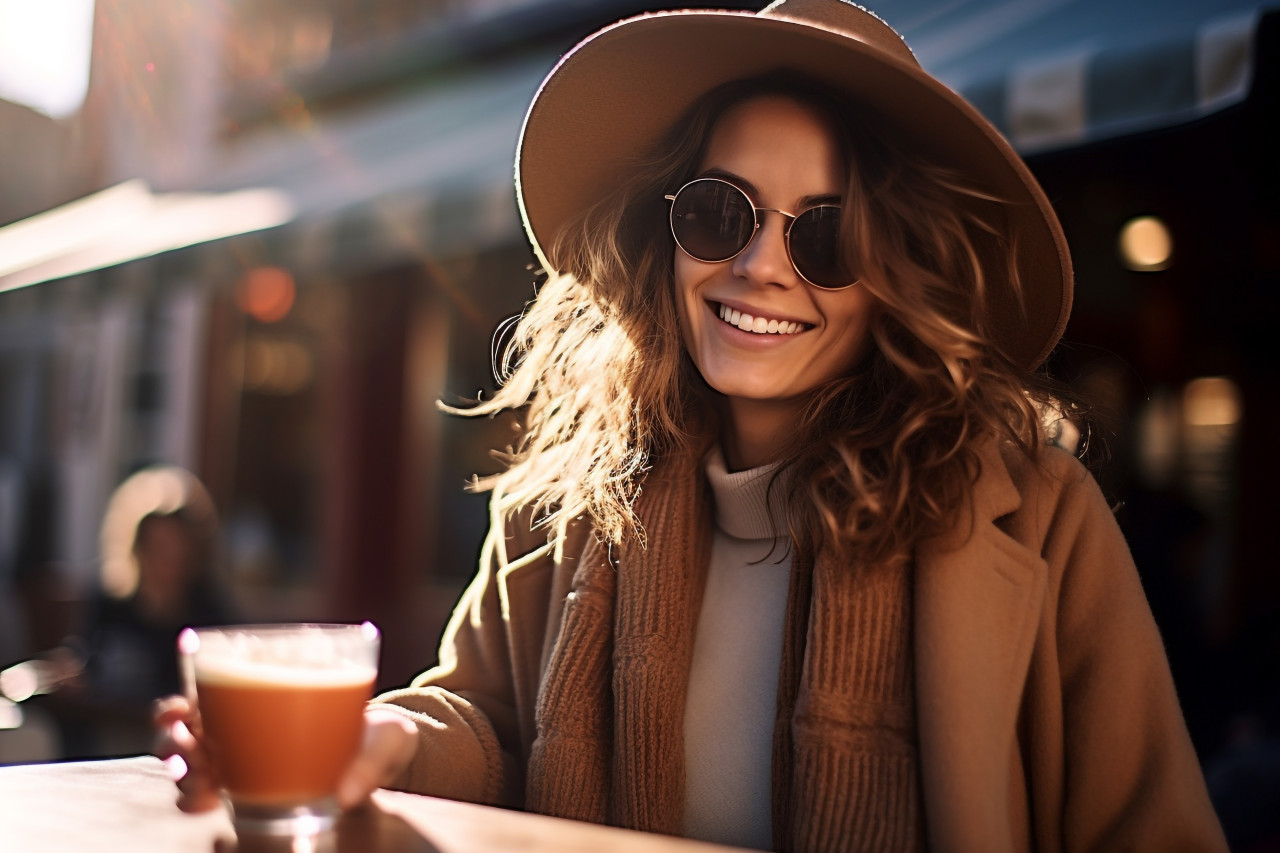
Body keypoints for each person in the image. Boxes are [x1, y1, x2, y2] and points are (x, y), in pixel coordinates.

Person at [157, 1, 1228, 849]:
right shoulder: (564, 496)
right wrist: (378, 737)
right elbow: (481, 722)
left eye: (827, 236)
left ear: (893, 275)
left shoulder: (1035, 512)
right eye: (719, 211)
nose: (759, 264)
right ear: (662, 233)